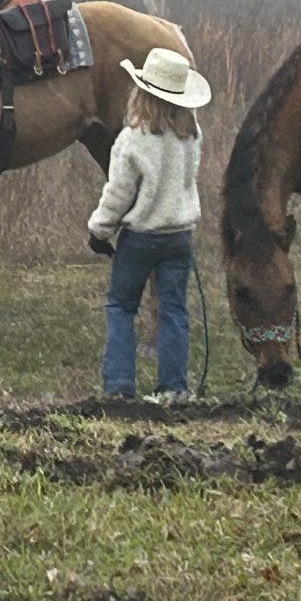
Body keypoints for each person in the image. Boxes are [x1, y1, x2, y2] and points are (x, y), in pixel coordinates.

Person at [86, 45, 212, 402]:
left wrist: (100, 230)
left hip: (140, 238)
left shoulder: (132, 140)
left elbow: (118, 193)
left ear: (142, 92)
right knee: (174, 309)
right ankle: (174, 386)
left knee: (121, 306)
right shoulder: (192, 135)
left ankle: (119, 387)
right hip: (180, 237)